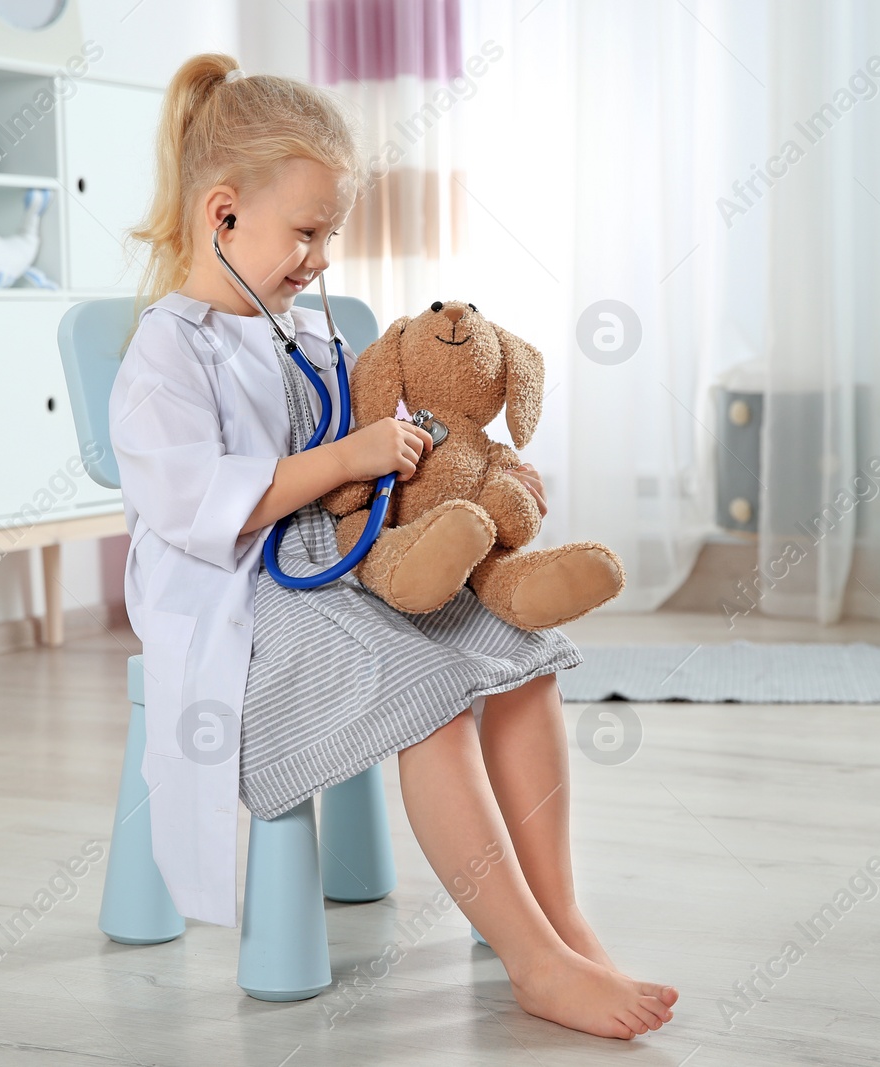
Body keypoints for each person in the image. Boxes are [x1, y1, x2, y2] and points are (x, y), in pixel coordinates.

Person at [110, 51, 677, 1040]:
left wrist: (480, 473)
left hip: (338, 561)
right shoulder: (170, 350)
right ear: (223, 213)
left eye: (330, 233)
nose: (321, 256)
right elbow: (200, 505)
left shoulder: (309, 332)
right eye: (307, 231)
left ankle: (559, 911)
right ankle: (532, 960)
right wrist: (346, 458)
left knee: (514, 658)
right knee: (424, 692)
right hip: (233, 593)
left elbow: (398, 456)